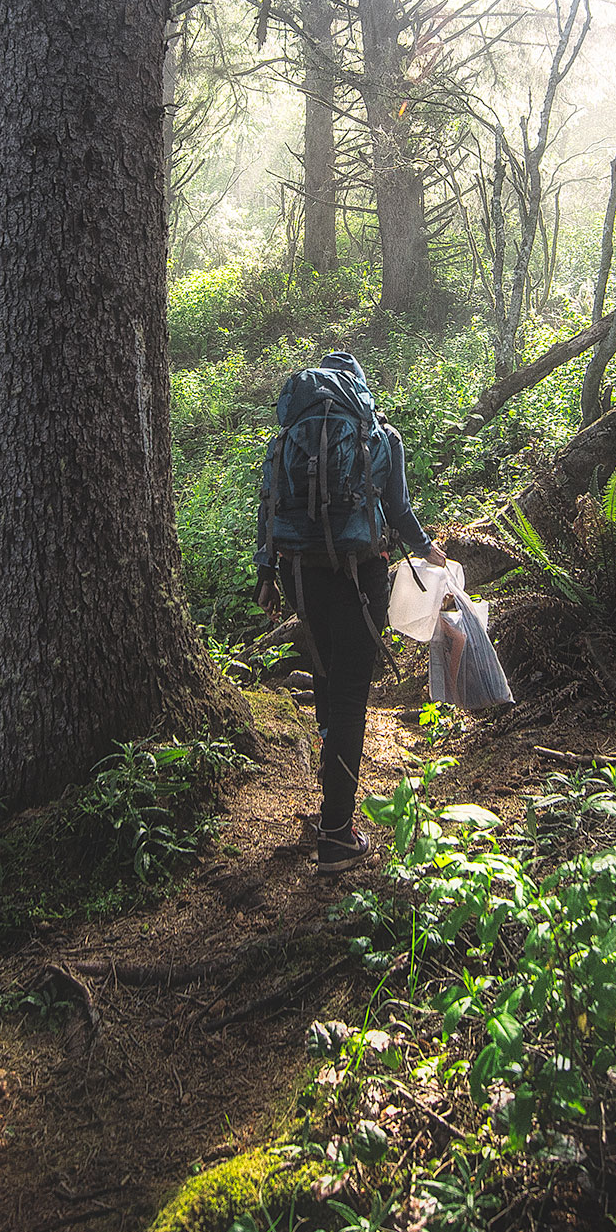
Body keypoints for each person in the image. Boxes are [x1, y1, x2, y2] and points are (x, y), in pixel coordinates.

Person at [254, 350, 445, 865]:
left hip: (298, 573)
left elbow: (269, 504)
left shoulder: (287, 439)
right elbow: (398, 509)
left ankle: (329, 806)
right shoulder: (379, 436)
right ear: (357, 390)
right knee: (350, 694)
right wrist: (428, 549)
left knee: (325, 677)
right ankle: (337, 831)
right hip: (360, 574)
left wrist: (265, 576)